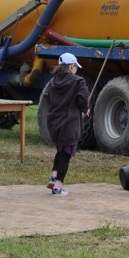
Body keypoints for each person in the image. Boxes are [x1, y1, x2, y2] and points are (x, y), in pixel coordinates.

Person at [44, 53, 90, 196]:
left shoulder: (52, 82)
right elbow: (83, 98)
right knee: (66, 154)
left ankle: (53, 176)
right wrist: (85, 109)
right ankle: (57, 187)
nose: (76, 69)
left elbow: (47, 98)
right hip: (69, 124)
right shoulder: (78, 81)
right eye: (76, 66)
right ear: (71, 66)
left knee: (60, 150)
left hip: (54, 123)